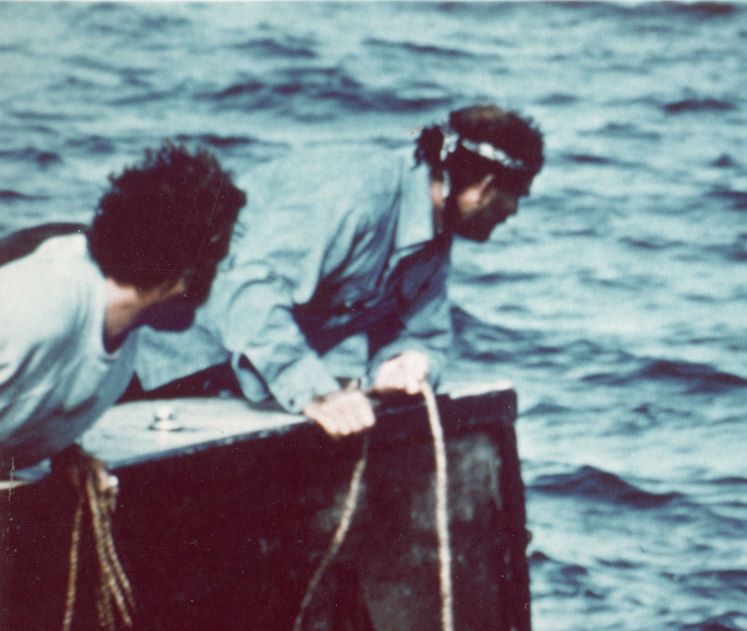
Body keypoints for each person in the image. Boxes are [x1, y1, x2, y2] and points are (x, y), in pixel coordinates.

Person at [131, 103, 545, 438]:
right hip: (148, 364)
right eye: (517, 197)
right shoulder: (356, 196)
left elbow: (425, 333)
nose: (513, 213)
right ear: (486, 187)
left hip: (233, 388)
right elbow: (250, 290)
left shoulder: (433, 234)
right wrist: (317, 393)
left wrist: (405, 361)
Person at [0, 144, 245, 473]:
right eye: (217, 262)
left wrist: (65, 453)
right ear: (184, 274)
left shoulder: (120, 334)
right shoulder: (41, 305)